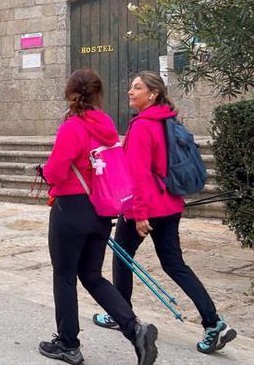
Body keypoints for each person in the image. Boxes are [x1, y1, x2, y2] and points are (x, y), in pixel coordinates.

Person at [93, 71, 236, 354]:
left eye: (137, 88)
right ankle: (213, 322)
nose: (130, 92)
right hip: (170, 204)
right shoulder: (168, 119)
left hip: (145, 207)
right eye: (130, 87)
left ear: (153, 94)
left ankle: (122, 316)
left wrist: (139, 213)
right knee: (175, 265)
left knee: (122, 258)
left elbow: (139, 174)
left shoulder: (143, 126)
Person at [39, 68, 158, 365]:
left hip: (72, 209)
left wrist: (43, 171)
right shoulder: (105, 123)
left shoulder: (72, 126)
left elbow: (56, 171)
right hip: (102, 210)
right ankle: (135, 330)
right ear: (97, 94)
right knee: (92, 274)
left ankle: (68, 344)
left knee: (64, 275)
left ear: (70, 93)